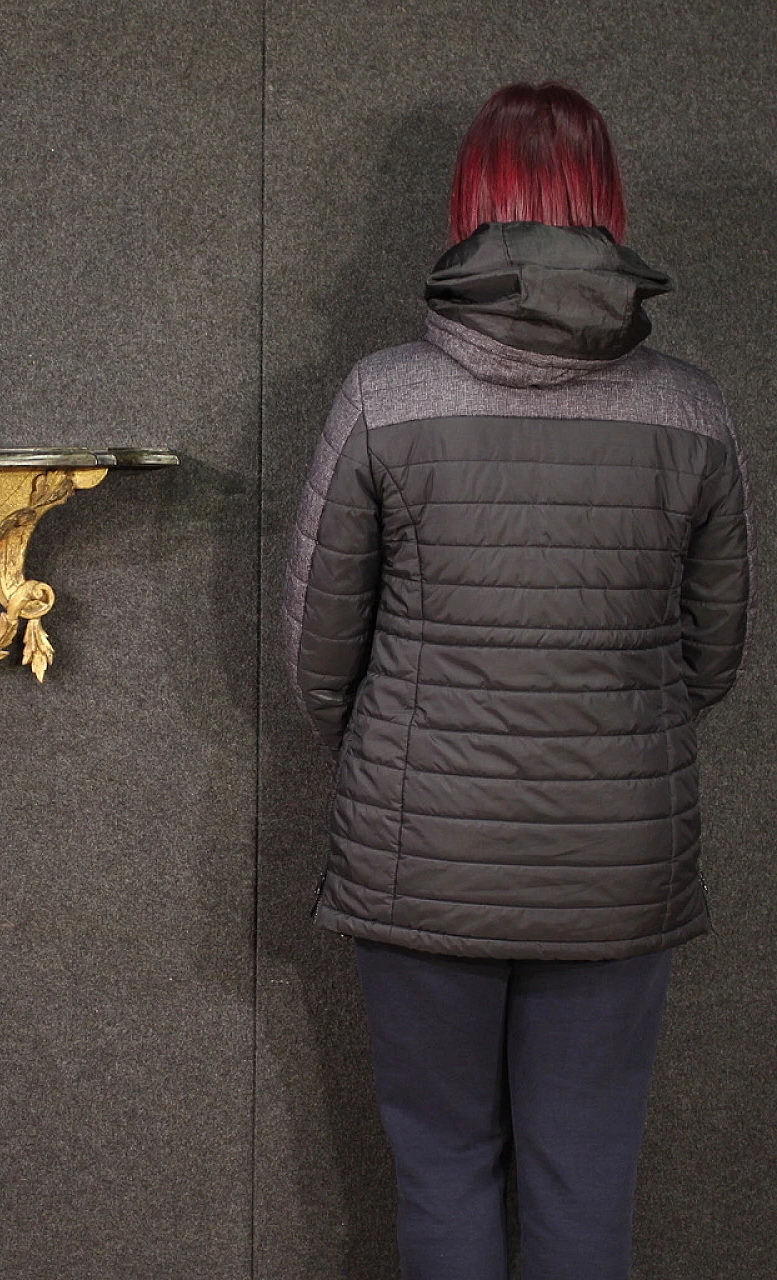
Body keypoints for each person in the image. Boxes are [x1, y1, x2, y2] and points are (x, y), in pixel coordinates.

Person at [281, 82, 757, 1280]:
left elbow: (314, 658)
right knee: (583, 1178)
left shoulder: (385, 395)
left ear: (468, 205)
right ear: (605, 204)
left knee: (441, 1168)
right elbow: (715, 655)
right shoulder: (689, 410)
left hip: (419, 851)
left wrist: (412, 751)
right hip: (618, 862)